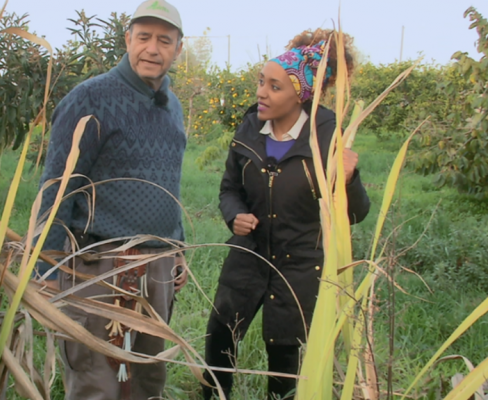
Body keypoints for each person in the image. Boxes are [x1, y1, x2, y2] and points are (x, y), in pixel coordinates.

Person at [202, 29, 372, 400]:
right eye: (261, 81)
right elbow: (229, 188)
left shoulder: (326, 137)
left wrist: (349, 179)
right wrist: (235, 216)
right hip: (247, 257)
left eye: (275, 87)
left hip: (299, 268)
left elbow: (355, 214)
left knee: (284, 360)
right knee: (219, 342)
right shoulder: (249, 128)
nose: (261, 92)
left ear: (301, 95)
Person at [34, 1, 188, 399]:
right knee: (96, 381)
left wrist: (178, 248)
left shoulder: (174, 108)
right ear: (128, 40)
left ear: (178, 49)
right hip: (96, 268)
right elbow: (56, 185)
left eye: (164, 40)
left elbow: (169, 184)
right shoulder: (91, 98)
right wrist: (47, 267)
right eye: (144, 38)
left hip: (156, 268)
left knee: (148, 379)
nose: (152, 49)